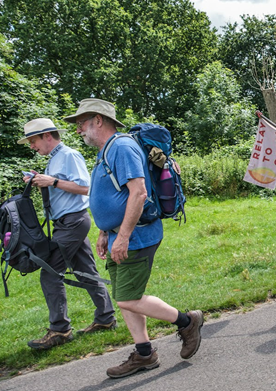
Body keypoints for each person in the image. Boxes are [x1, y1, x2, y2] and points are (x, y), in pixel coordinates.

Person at [65, 98, 203, 378]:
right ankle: (144, 354)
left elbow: (138, 193)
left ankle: (187, 321)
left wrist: (123, 236)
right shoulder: (108, 149)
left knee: (127, 299)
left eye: (81, 123)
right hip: (120, 234)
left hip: (137, 236)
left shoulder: (123, 147)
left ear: (99, 120)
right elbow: (112, 194)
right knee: (125, 296)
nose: (79, 130)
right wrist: (105, 231)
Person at [18, 118, 116, 350]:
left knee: (50, 273)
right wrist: (42, 180)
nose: (32, 146)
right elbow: (61, 185)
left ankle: (60, 330)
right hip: (67, 222)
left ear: (47, 136)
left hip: (73, 221)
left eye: (33, 141)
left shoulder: (69, 155)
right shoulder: (54, 159)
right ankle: (105, 318)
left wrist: (52, 181)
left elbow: (87, 188)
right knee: (85, 271)